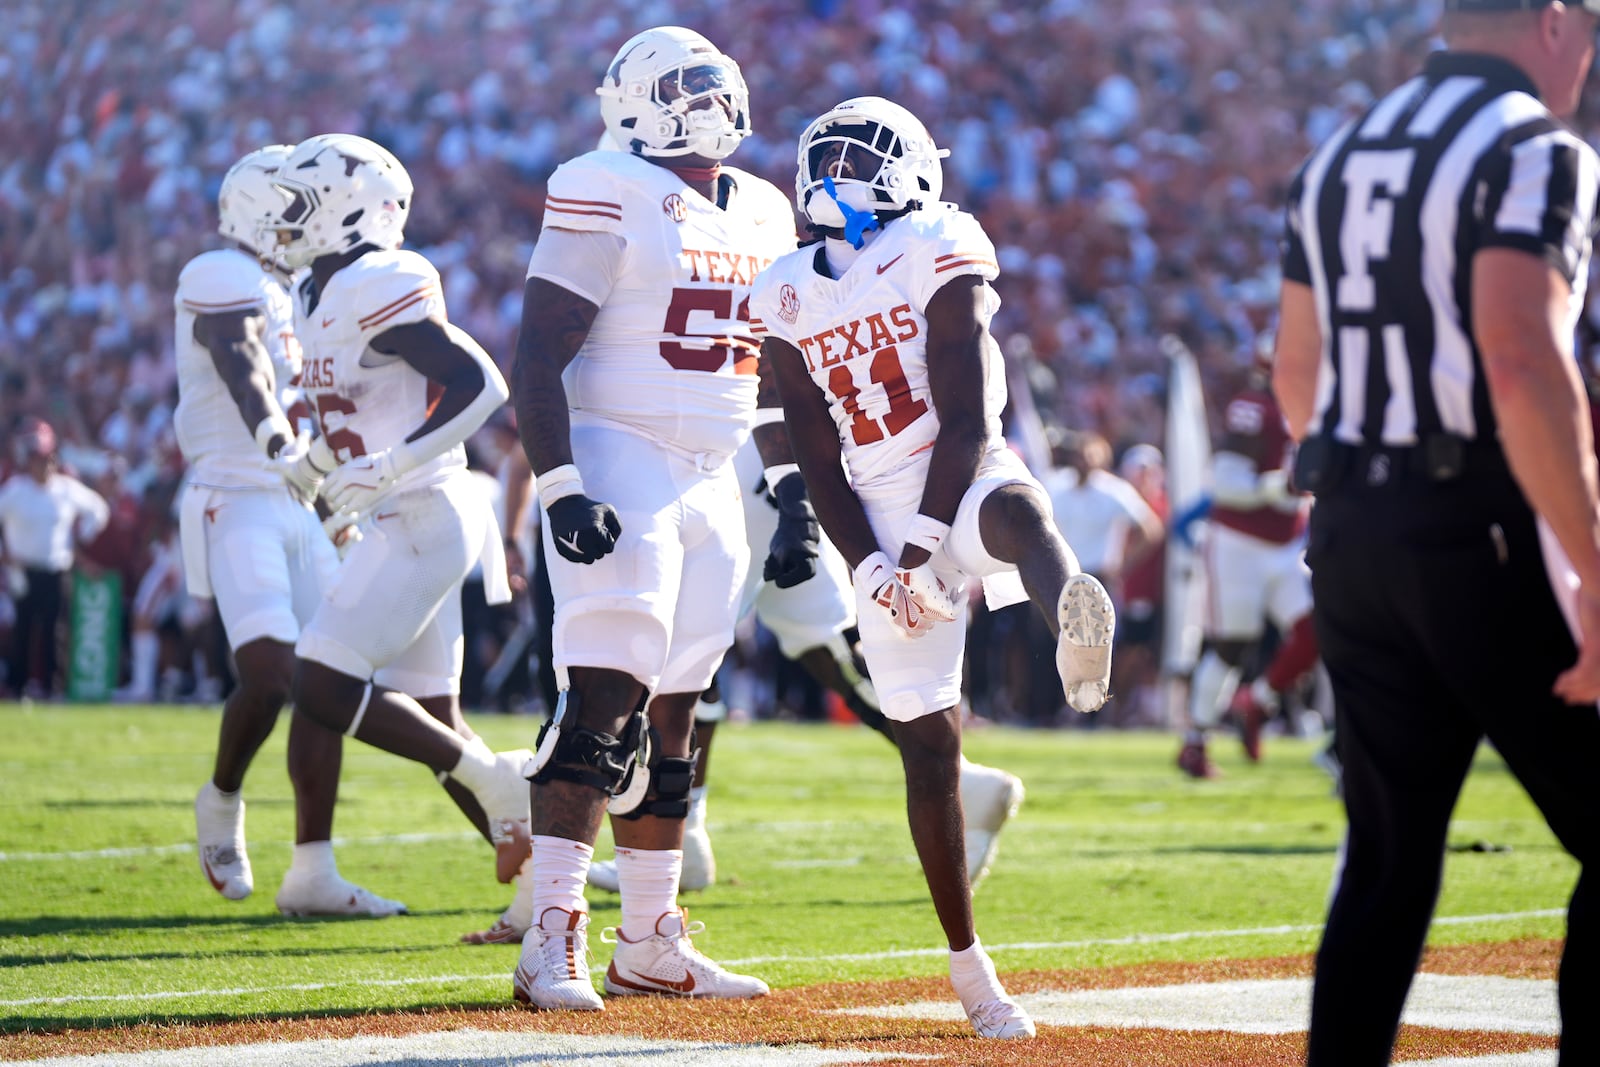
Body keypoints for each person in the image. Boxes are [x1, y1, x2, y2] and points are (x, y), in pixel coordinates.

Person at [750, 96, 1117, 1040]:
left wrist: (911, 551)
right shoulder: (790, 288)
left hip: (944, 479)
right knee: (929, 743)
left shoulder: (929, 247)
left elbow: (970, 425)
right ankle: (972, 969)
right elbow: (813, 456)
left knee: (1018, 509)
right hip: (873, 502)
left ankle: (1076, 623)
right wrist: (869, 565)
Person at [1274, 2, 1600, 1062]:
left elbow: (1295, 371)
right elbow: (1517, 351)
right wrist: (1593, 567)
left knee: (1386, 859)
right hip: (1480, 525)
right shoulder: (1532, 147)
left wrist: (1368, 502)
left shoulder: (1341, 148)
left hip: (1354, 528)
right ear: (1552, 23)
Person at [506, 27, 794, 1010]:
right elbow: (537, 349)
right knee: (604, 695)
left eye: (712, 76)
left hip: (716, 468)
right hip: (619, 448)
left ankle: (650, 938)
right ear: (634, 100)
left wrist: (789, 488)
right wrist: (559, 482)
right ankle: (550, 933)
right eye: (682, 82)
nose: (708, 93)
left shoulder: (761, 203)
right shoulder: (602, 181)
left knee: (681, 706)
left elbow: (777, 364)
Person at [254, 132, 534, 898]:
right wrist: (318, 463)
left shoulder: (380, 279)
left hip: (425, 511)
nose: (284, 220)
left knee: (318, 681)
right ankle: (542, 884)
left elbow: (482, 386)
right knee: (436, 710)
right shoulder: (317, 290)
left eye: (298, 204)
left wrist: (391, 463)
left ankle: (497, 780)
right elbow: (360, 404)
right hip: (395, 517)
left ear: (347, 210)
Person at [580, 434, 1029, 896]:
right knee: (826, 640)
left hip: (723, 457)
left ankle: (681, 831)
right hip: (773, 465)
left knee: (687, 650)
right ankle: (963, 778)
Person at [171, 144, 407, 915]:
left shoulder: (299, 287)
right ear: (258, 210)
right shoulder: (219, 270)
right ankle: (222, 796)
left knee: (330, 675)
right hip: (237, 492)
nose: (310, 221)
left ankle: (314, 866)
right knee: (273, 671)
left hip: (301, 500)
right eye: (297, 206)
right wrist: (281, 448)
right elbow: (243, 366)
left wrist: (334, 498)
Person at [1178, 353, 1318, 778]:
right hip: (1238, 543)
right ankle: (1196, 742)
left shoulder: (1312, 405)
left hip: (1288, 545)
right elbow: (1225, 483)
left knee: (1320, 627)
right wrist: (1276, 485)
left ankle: (1257, 702)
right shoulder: (1254, 407)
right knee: (1231, 646)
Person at [0, 419, 109, 699]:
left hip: (57, 568)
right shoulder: (15, 489)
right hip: (24, 570)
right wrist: (6, 554)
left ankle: (52, 688)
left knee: (54, 631)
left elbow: (98, 510)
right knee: (23, 630)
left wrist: (79, 540)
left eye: (48, 460)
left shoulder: (66, 489)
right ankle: (18, 686)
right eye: (38, 460)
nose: (44, 466)